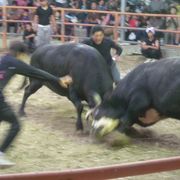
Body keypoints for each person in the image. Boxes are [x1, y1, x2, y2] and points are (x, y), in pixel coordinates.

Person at [0, 41, 72, 166]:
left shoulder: (3, 59)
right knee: (16, 125)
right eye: (23, 56)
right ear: (19, 54)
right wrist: (58, 79)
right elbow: (36, 73)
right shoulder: (15, 62)